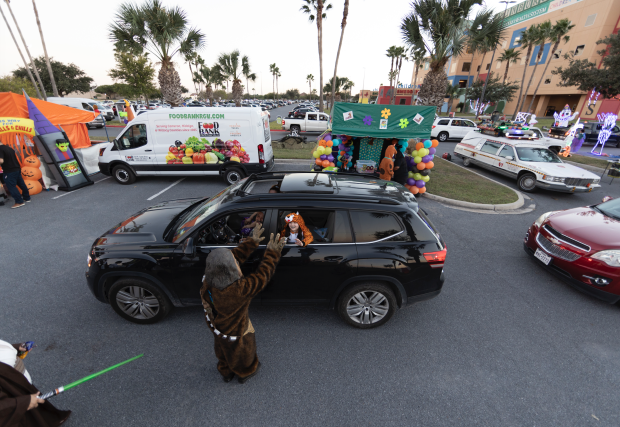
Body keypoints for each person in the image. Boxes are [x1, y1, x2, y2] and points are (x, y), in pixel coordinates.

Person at [200, 225, 286, 384]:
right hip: (237, 332)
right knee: (243, 352)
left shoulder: (208, 281)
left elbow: (230, 260)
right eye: (235, 265)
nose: (237, 263)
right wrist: (273, 252)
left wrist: (251, 243)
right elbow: (263, 275)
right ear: (232, 271)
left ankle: (225, 373)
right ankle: (245, 372)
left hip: (217, 327)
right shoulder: (239, 291)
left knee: (222, 350)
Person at [0, 339, 71, 426]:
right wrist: (24, 403)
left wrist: (15, 348)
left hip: (19, 387)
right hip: (12, 398)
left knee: (34, 413)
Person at [0, 142, 31, 209]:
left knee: (11, 186)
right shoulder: (9, 148)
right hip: (16, 168)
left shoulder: (0, 149)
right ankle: (27, 198)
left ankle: (19, 202)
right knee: (21, 184)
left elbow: (1, 161)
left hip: (9, 171)